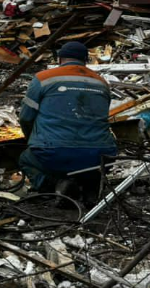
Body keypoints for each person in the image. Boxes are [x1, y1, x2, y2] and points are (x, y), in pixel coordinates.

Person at [18, 41, 117, 195]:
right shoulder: (102, 82)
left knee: (26, 159)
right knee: (88, 166)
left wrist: (32, 141)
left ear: (59, 59)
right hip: (101, 155)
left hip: (53, 152)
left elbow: (25, 118)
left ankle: (54, 186)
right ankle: (89, 184)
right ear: (86, 60)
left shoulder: (43, 78)